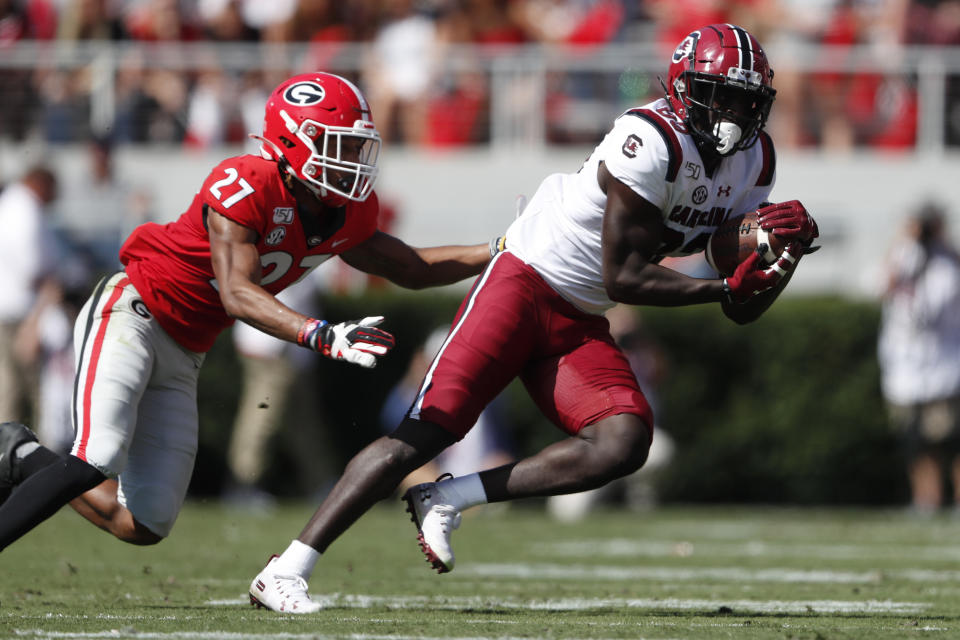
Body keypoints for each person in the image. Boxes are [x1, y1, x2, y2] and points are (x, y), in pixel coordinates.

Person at [247, 23, 820, 614]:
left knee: (623, 440)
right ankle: (287, 567)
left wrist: (777, 263)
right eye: (720, 94)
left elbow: (742, 308)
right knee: (424, 434)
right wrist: (721, 286)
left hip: (578, 314)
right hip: (523, 282)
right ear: (683, 87)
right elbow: (625, 275)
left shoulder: (755, 160)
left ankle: (449, 498)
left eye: (747, 99)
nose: (733, 113)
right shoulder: (649, 138)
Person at [0, 72, 490, 553]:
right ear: (295, 142)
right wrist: (320, 334)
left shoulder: (343, 212)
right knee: (98, 456)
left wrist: (500, 249)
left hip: (187, 348)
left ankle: (22, 455)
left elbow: (412, 266)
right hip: (135, 311)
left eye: (357, 147)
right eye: (339, 146)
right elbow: (237, 292)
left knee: (143, 522)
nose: (352, 161)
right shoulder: (247, 181)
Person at [878, 202, 960, 515]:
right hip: (904, 368)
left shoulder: (948, 263)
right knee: (913, 440)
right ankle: (927, 499)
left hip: (945, 366)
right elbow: (879, 286)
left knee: (950, 439)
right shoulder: (903, 256)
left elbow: (936, 309)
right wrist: (901, 242)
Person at [0, 165, 60, 426]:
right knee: (32, 390)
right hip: (23, 314)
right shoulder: (26, 209)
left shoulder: (11, 203)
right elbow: (33, 267)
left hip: (12, 310)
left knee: (9, 388)